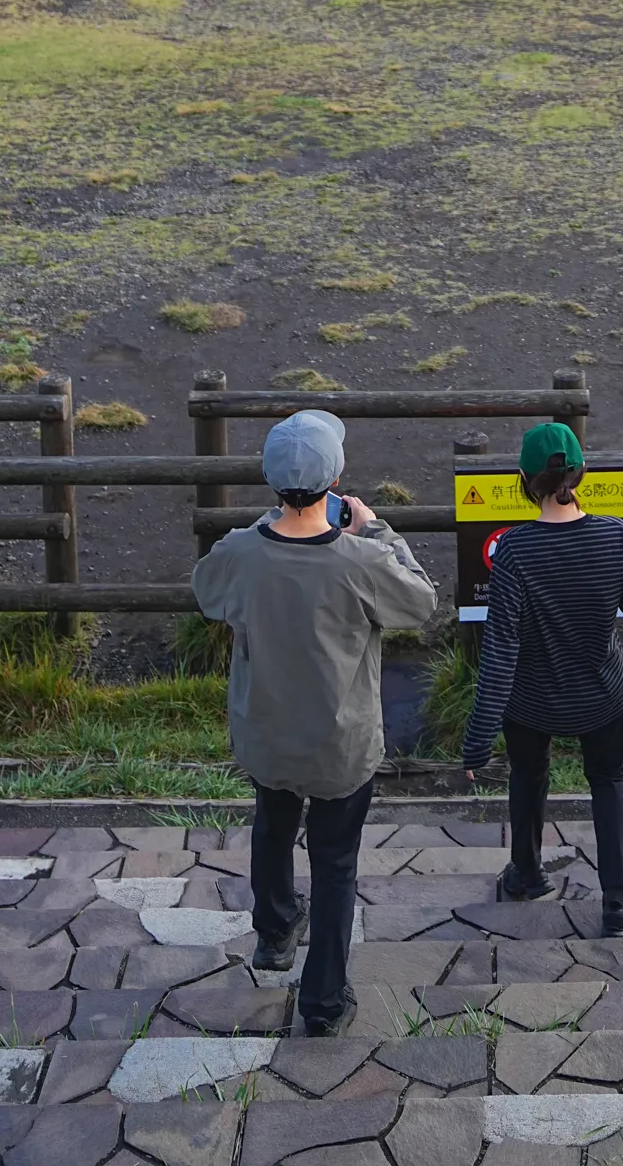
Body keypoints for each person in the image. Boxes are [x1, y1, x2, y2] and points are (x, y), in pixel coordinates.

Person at [191, 408, 436, 1037]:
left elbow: (208, 591)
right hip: (342, 742)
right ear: (335, 481)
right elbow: (421, 602)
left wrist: (262, 525)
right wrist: (377, 530)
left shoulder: (242, 554)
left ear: (271, 479)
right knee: (335, 862)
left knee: (272, 826)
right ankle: (324, 1000)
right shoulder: (359, 560)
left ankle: (274, 932)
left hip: (267, 733)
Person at [460, 423, 623, 936]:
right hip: (602, 696)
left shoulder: (515, 553)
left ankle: (525, 872)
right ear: (582, 472)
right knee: (609, 780)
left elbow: (500, 652)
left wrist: (477, 742)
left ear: (523, 479)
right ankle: (621, 898)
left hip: (531, 701)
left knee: (528, 775)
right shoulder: (614, 536)